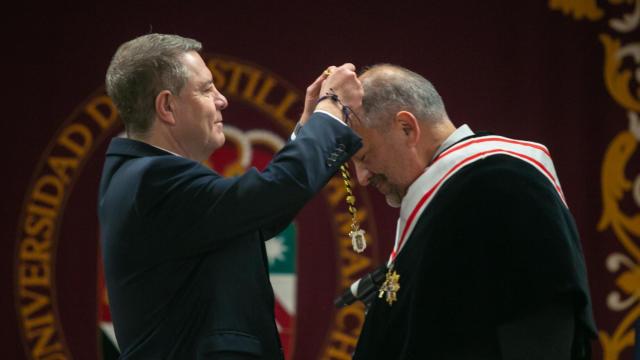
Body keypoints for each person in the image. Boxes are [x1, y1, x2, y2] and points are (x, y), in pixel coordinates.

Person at [98, 33, 363, 359]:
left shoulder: (144, 178)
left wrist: (308, 131)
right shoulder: (150, 181)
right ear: (167, 106)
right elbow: (269, 195)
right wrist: (331, 109)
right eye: (206, 89)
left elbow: (256, 218)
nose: (222, 99)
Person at [349, 64, 597, 359]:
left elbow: (541, 322)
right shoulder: (458, 192)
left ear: (407, 128)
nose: (362, 177)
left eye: (364, 156)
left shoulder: (505, 182)